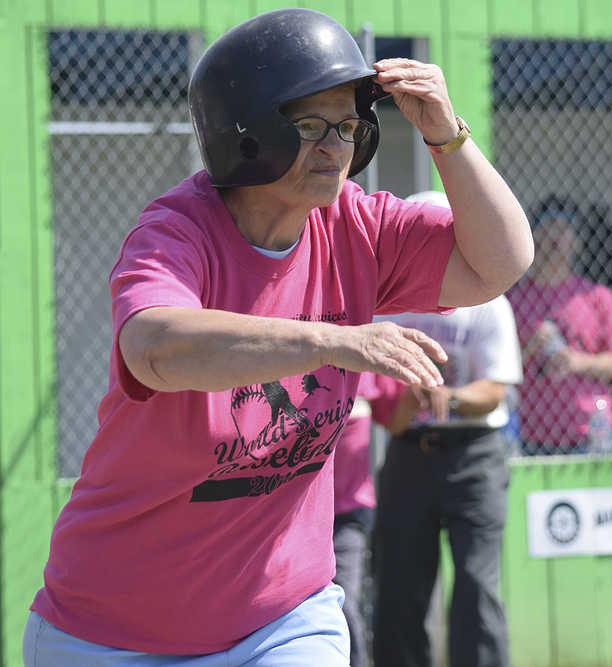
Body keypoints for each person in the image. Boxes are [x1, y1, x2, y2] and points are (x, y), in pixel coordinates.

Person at [24, 8, 532, 666]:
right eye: (312, 125)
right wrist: (328, 341)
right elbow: (154, 348)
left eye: (349, 127)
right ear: (248, 132)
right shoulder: (180, 231)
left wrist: (447, 136)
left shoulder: (357, 226)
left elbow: (498, 263)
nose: (336, 147)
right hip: (110, 629)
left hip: (282, 616)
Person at [371, 190, 523, 667]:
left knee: (476, 586)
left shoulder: (486, 301)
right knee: (399, 585)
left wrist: (449, 399)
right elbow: (379, 396)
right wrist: (401, 403)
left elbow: (497, 390)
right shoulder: (389, 301)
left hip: (474, 454)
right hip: (409, 450)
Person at [507, 195, 612, 454]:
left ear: (577, 243)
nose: (556, 236)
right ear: (533, 238)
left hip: (591, 434)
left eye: (565, 229)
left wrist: (578, 362)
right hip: (530, 435)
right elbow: (495, 369)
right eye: (548, 226)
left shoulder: (598, 297)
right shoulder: (512, 299)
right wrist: (530, 349)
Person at [332, 372, 401, 667]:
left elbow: (397, 417)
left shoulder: (366, 360)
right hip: (290, 515)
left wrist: (428, 391)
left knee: (344, 602)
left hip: (347, 514)